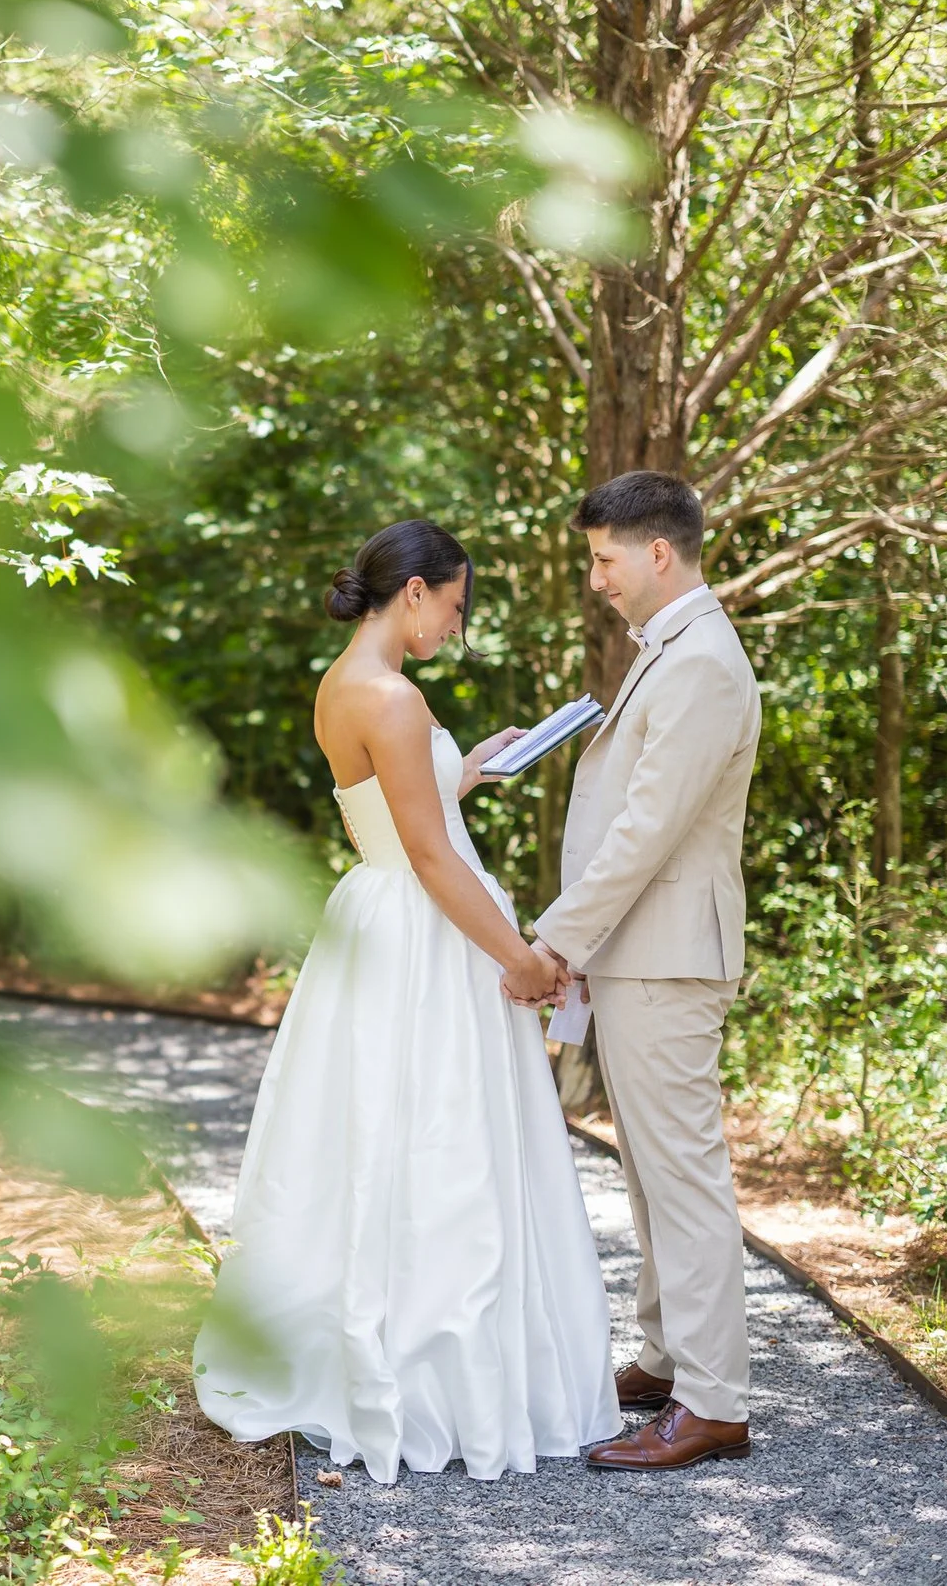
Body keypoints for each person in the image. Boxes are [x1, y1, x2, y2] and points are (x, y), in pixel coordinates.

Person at [193, 519, 619, 1483]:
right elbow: (428, 855)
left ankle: (389, 1337)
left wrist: (466, 769)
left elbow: (393, 816)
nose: (458, 627)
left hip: (379, 918)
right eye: (457, 606)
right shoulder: (391, 696)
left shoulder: (342, 684)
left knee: (379, 1130)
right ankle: (436, 1375)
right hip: (426, 929)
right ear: (416, 590)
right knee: (439, 1133)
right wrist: (520, 957)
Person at [531, 470, 761, 1472]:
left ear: (656, 552)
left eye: (603, 558)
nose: (597, 579)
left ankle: (713, 1402)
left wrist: (554, 940)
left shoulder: (701, 660)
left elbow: (644, 832)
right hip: (641, 951)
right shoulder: (669, 649)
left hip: (668, 956)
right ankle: (672, 1359)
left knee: (683, 1174)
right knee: (649, 1170)